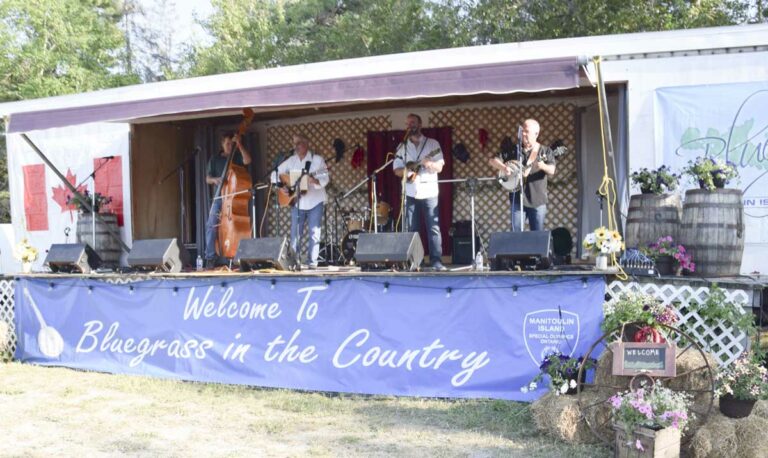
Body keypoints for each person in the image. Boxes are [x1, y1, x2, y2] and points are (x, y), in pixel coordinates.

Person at [393, 113, 447, 271]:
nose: (410, 125)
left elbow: (440, 166)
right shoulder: (402, 147)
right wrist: (407, 172)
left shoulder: (432, 144)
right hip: (410, 192)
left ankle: (436, 261)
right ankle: (416, 262)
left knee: (433, 228)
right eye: (408, 123)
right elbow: (396, 169)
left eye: (413, 122)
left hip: (429, 191)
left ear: (420, 124)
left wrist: (429, 163)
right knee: (412, 229)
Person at [489, 119, 556, 232]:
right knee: (516, 236)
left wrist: (543, 166)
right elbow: (492, 160)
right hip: (517, 201)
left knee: (537, 235)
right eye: (522, 131)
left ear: (536, 134)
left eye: (527, 131)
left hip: (538, 201)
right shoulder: (513, 150)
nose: (523, 134)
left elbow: (552, 170)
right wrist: (504, 168)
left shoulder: (545, 151)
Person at [276, 134, 329, 268]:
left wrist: (314, 180)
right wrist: (283, 188)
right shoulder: (291, 161)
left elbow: (325, 178)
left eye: (299, 143)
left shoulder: (317, 160)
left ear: (306, 144)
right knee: (295, 235)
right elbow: (275, 173)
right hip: (297, 202)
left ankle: (312, 263)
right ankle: (293, 263)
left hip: (315, 201)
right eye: (295, 144)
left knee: (314, 233)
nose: (296, 146)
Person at [204, 131, 252, 267]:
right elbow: (207, 179)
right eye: (227, 144)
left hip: (233, 199)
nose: (230, 146)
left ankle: (238, 255)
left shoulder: (237, 157)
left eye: (232, 144)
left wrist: (239, 144)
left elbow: (248, 160)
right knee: (211, 225)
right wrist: (215, 180)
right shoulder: (215, 159)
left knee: (236, 226)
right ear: (222, 144)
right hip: (219, 197)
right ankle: (210, 257)